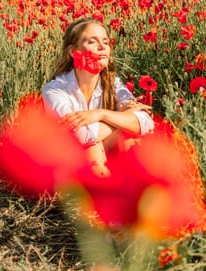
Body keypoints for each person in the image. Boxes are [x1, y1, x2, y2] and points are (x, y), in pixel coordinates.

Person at [42, 18, 154, 177]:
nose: (102, 47)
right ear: (74, 52)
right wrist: (122, 119)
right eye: (92, 42)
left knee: (132, 142)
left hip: (101, 150)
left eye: (106, 42)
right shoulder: (55, 90)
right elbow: (81, 135)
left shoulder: (114, 84)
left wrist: (101, 114)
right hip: (64, 162)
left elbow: (146, 122)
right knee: (93, 147)